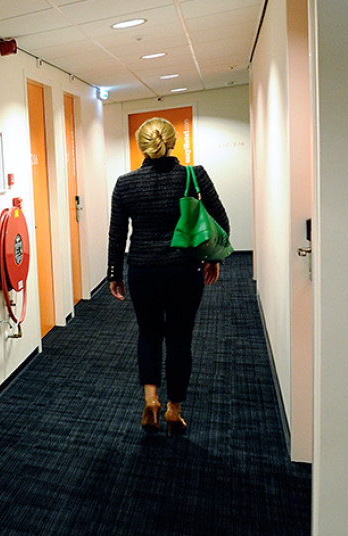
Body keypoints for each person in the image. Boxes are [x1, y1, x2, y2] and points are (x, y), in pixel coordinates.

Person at [107, 117, 229, 435]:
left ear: (141, 146)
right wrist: (212, 258)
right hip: (184, 270)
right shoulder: (194, 175)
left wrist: (114, 273)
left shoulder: (125, 183)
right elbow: (220, 221)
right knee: (179, 337)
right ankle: (174, 410)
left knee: (148, 334)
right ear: (173, 143)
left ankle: (151, 400)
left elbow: (117, 234)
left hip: (142, 270)